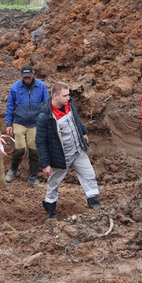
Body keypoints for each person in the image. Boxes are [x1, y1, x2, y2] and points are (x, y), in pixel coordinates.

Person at [35, 82, 101, 219]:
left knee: (89, 176)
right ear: (55, 96)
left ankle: (95, 207)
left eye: (68, 95)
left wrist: (83, 132)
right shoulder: (45, 117)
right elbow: (41, 142)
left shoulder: (69, 104)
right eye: (65, 95)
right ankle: (50, 208)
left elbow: (76, 120)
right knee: (54, 183)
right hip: (61, 156)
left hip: (78, 150)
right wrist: (45, 164)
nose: (68, 98)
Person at [4, 65, 49, 186]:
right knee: (19, 149)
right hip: (19, 121)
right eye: (25, 77)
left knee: (34, 151)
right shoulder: (15, 87)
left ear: (33, 74)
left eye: (29, 76)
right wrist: (9, 123)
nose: (27, 79)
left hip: (35, 123)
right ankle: (12, 170)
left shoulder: (41, 87)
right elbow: (10, 106)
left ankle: (33, 178)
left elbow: (46, 105)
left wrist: (45, 121)